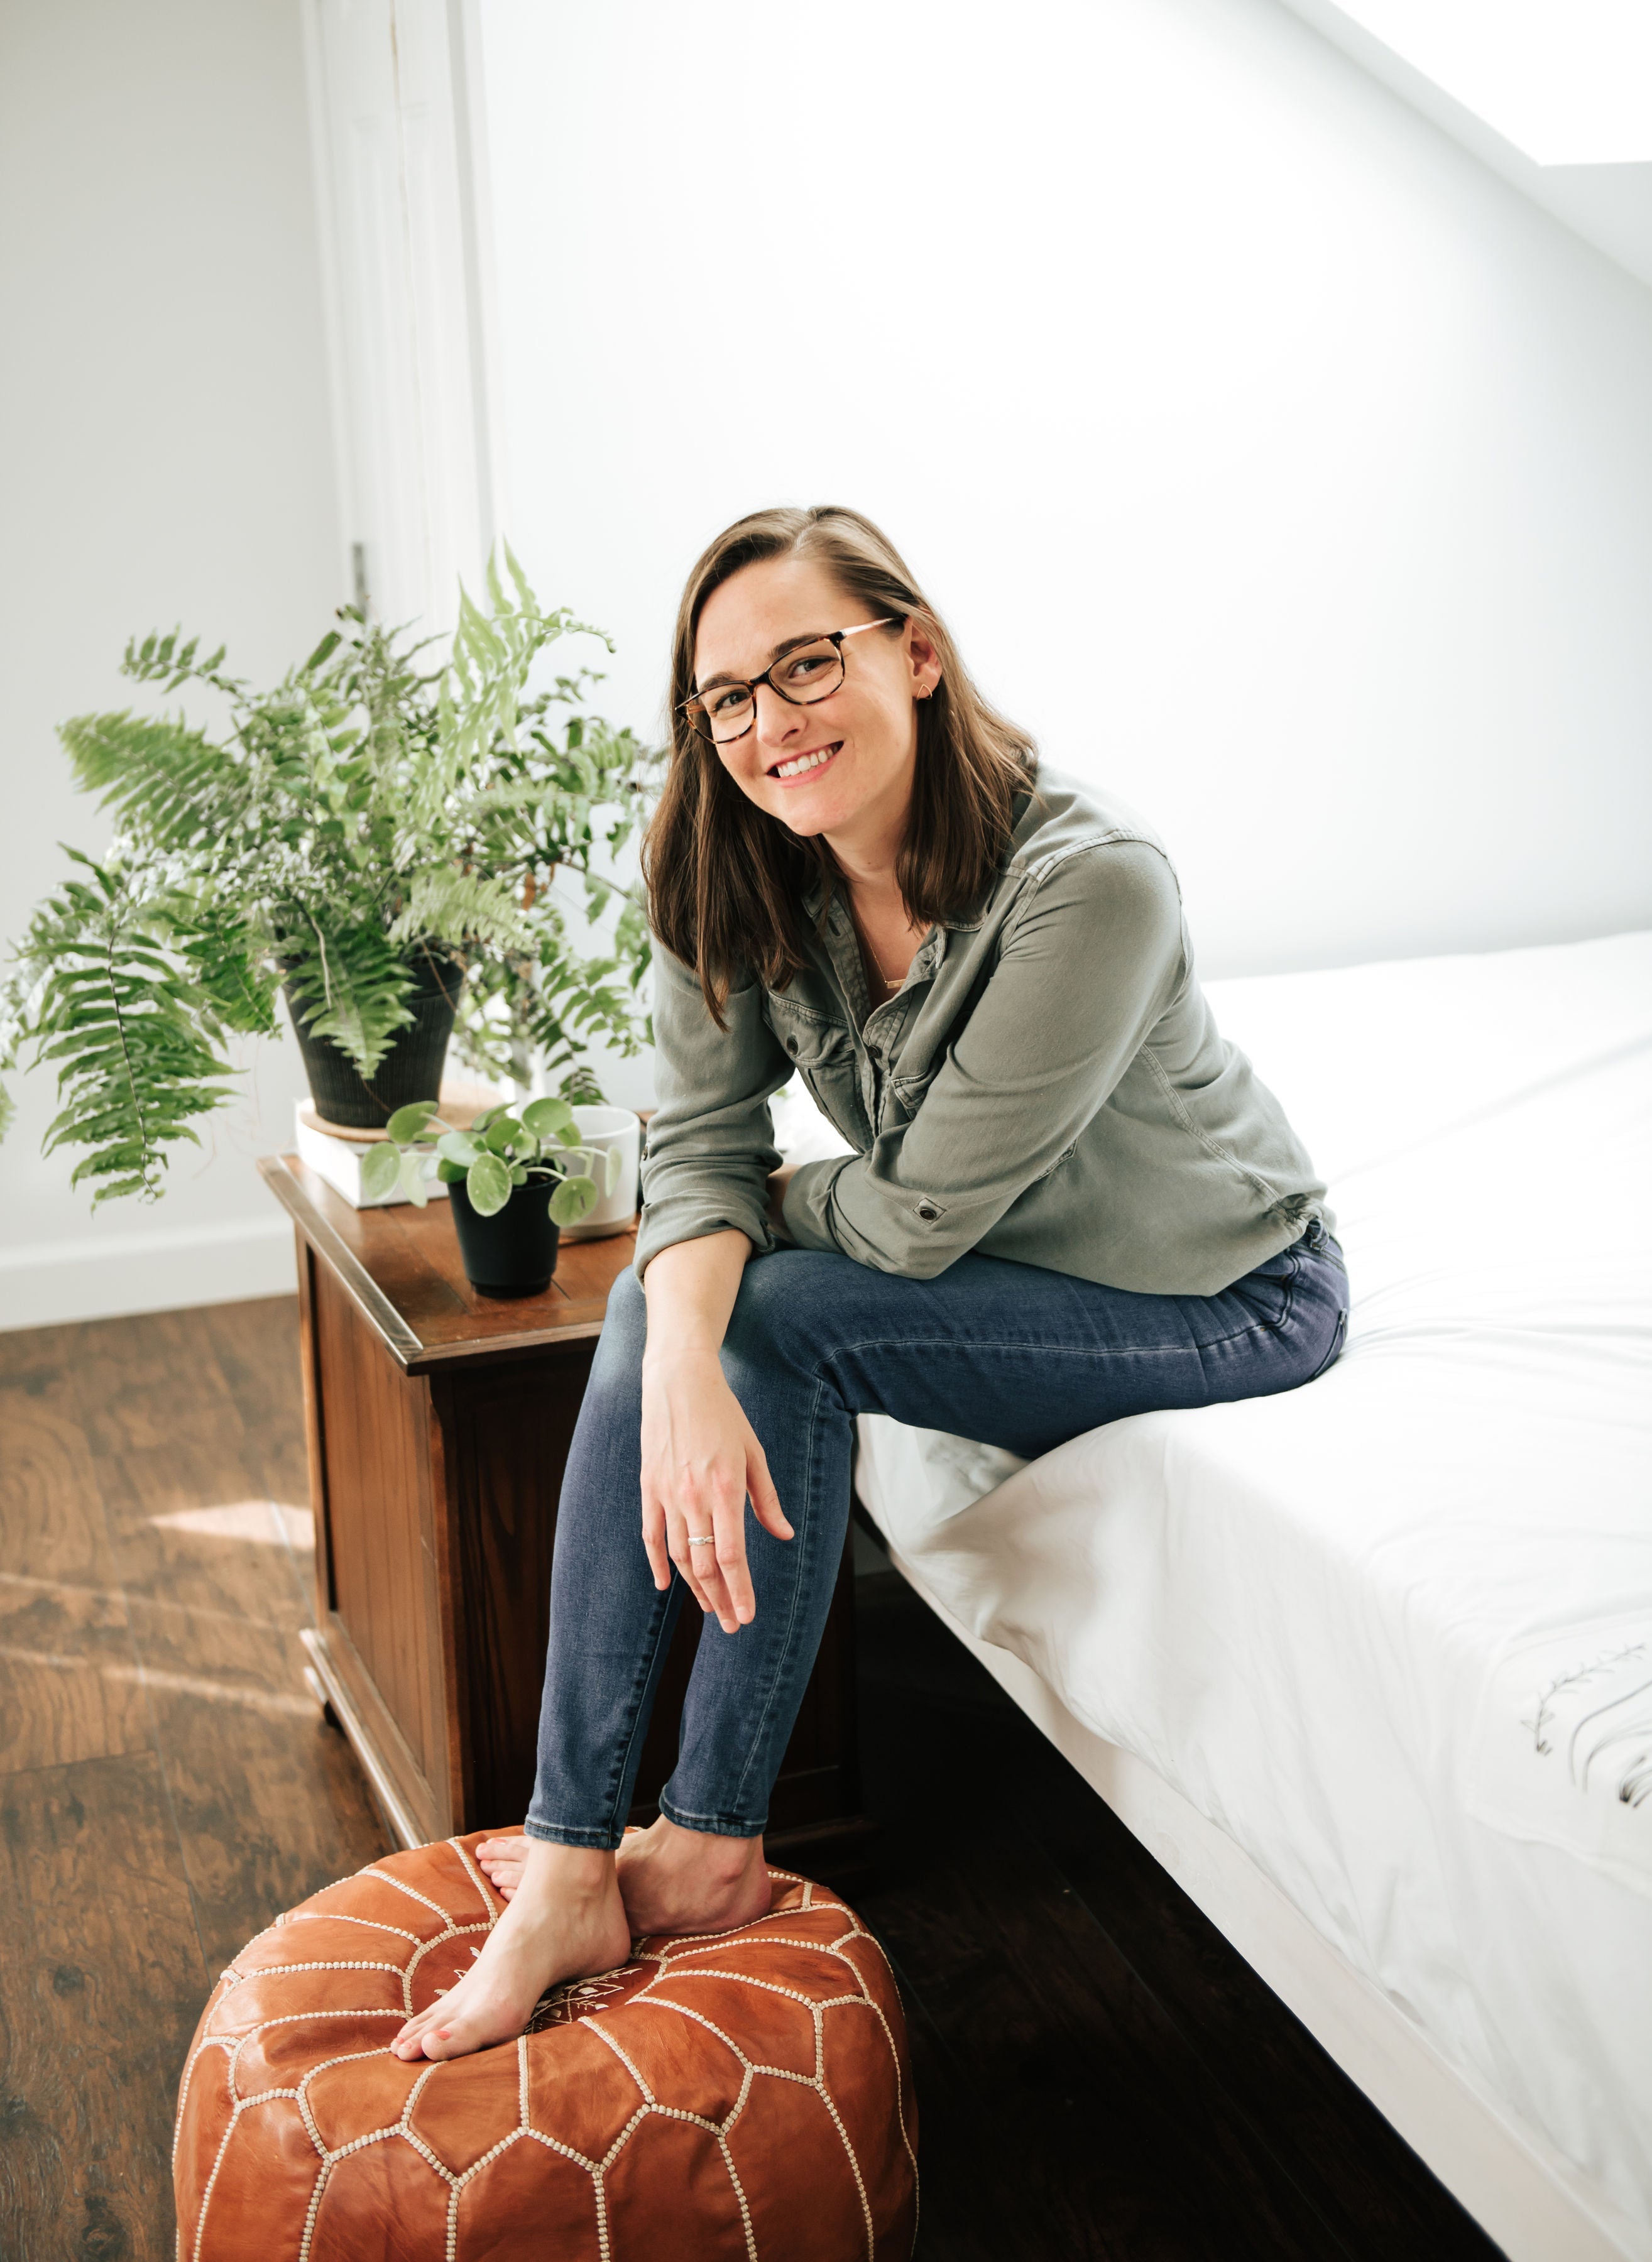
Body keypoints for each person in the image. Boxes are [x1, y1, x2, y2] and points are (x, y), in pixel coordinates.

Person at [391, 505, 1347, 2062]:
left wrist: (757, 1217)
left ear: (914, 650)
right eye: (727, 699)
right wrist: (687, 1351)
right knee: (672, 1310)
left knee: (774, 1308)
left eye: (808, 663)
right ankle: (570, 1858)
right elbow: (693, 1150)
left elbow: (900, 1231)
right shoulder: (727, 868)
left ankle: (706, 1840)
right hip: (986, 1256)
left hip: (1223, 1291)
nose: (772, 725)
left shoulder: (1090, 886)